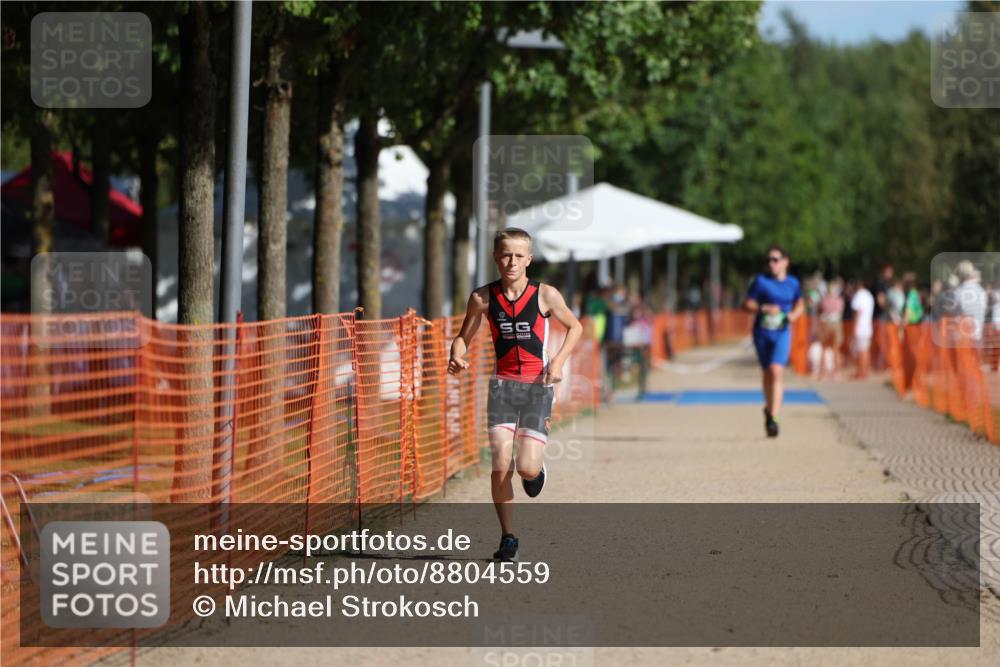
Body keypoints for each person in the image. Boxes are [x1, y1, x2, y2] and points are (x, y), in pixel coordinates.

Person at [448, 228, 582, 562]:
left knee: (524, 468)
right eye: (506, 254)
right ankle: (509, 537)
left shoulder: (545, 295)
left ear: (529, 259)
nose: (512, 261)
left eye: (519, 256)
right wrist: (456, 354)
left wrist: (559, 361)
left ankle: (536, 471)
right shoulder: (482, 298)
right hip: (502, 387)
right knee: (498, 462)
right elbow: (463, 335)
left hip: (537, 387)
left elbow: (575, 327)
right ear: (495, 256)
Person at [743, 246, 804, 438]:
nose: (772, 263)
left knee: (777, 371)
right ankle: (769, 408)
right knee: (767, 372)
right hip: (762, 332)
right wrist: (762, 308)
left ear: (786, 262)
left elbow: (800, 303)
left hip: (782, 332)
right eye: (769, 260)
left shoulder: (793, 283)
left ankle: (774, 418)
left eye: (776, 259)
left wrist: (792, 316)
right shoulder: (760, 281)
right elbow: (746, 304)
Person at [817, 277, 845, 380]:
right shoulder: (839, 300)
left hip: (825, 323)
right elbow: (841, 311)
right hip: (835, 323)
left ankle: (823, 373)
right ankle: (836, 373)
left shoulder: (824, 300)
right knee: (835, 349)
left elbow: (819, 311)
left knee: (824, 349)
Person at [850, 280, 875, 379]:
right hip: (868, 327)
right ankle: (865, 371)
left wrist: (854, 327)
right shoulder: (869, 295)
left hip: (861, 327)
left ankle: (861, 372)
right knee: (865, 350)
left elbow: (858, 312)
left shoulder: (859, 295)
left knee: (861, 351)